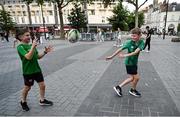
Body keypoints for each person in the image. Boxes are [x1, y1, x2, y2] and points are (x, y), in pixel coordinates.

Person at [16, 28, 53, 111]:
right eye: (27, 35)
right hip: (28, 71)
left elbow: (37, 57)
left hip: (37, 70)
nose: (29, 37)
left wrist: (45, 52)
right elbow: (28, 57)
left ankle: (42, 100)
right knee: (27, 88)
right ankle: (23, 101)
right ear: (20, 37)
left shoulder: (30, 45)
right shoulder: (20, 47)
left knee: (42, 85)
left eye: (29, 35)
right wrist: (32, 47)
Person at [106, 27, 144, 97]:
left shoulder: (141, 42)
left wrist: (125, 55)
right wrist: (111, 56)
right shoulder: (129, 42)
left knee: (132, 78)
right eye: (132, 35)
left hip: (134, 62)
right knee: (136, 78)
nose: (132, 37)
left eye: (134, 36)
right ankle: (132, 90)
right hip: (129, 63)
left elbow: (136, 52)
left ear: (139, 35)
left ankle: (119, 87)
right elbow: (120, 49)